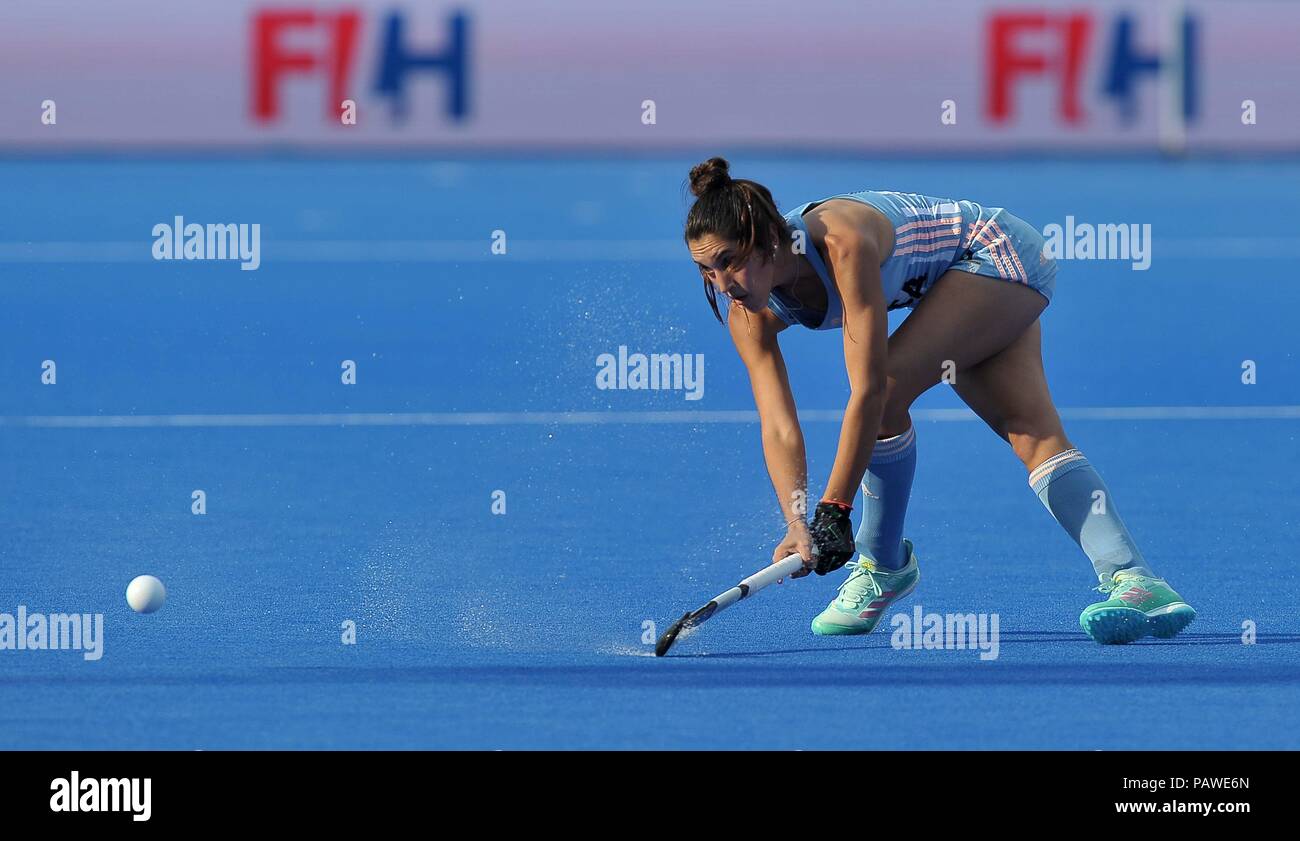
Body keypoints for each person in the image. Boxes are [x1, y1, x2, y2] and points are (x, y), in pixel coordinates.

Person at [683, 157, 1195, 644]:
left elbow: (870, 388)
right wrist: (798, 523)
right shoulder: (747, 317)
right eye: (708, 271)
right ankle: (1138, 582)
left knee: (885, 392)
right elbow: (779, 427)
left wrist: (834, 509)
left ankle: (883, 566)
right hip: (947, 288)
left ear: (769, 237)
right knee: (1030, 432)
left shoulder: (842, 241)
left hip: (996, 253)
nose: (723, 284)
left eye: (731, 262)